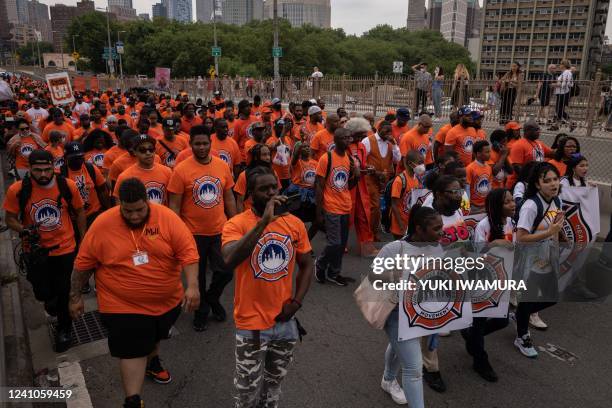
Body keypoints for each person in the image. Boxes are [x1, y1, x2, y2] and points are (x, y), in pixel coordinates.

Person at [70, 178, 200, 408]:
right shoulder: (102, 224)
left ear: (147, 202)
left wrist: (192, 286)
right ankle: (133, 400)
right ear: (119, 204)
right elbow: (83, 264)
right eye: (127, 211)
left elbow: (188, 254)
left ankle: (152, 360)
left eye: (139, 210)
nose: (134, 216)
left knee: (153, 337)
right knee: (132, 350)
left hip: (167, 304)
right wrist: (75, 296)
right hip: (121, 305)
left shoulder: (167, 218)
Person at [221, 166, 313, 408]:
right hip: (251, 326)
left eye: (274, 187)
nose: (272, 193)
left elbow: (307, 264)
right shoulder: (236, 224)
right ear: (250, 193)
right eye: (264, 189)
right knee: (247, 392)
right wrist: (263, 224)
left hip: (284, 323)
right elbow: (230, 259)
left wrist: (296, 303)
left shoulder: (294, 224)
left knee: (273, 388)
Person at [3, 149, 86, 352]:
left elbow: (80, 212)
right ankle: (54, 305)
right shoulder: (17, 190)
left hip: (65, 249)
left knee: (64, 290)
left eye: (47, 169)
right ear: (29, 169)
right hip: (35, 252)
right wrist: (24, 230)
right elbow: (10, 219)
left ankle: (64, 328)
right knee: (43, 293)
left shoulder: (67, 186)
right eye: (37, 170)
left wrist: (83, 240)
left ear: (54, 167)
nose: (43, 174)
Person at [168, 125, 237, 332]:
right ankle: (201, 312)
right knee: (197, 278)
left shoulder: (222, 166)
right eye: (197, 144)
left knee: (226, 272)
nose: (201, 147)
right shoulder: (181, 170)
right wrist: (177, 235)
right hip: (192, 235)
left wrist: (234, 221)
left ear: (210, 143)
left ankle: (211, 299)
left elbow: (228, 196)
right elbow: (174, 206)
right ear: (190, 145)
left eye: (205, 143)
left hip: (220, 231)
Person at [376, 204, 444, 408]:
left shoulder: (437, 249)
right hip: (395, 313)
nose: (441, 233)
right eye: (436, 229)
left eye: (441, 228)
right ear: (419, 229)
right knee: (414, 369)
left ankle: (388, 379)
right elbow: (375, 284)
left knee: (399, 349)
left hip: (421, 313)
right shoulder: (393, 249)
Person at [514, 162, 564, 358]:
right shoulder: (530, 206)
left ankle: (521, 315)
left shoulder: (556, 201)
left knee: (551, 296)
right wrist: (549, 232)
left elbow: (555, 230)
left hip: (545, 255)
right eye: (547, 181)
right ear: (537, 184)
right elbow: (521, 237)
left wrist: (557, 246)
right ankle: (522, 336)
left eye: (555, 179)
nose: (553, 184)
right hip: (527, 258)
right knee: (528, 298)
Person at [465, 188, 514, 382]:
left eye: (512, 200)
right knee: (479, 322)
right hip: (483, 280)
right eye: (507, 202)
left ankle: (472, 338)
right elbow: (476, 255)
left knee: (502, 320)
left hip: (503, 279)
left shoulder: (510, 222)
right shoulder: (484, 226)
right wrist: (495, 244)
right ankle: (480, 360)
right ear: (496, 206)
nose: (513, 204)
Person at [315, 128, 358, 286]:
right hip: (331, 207)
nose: (348, 141)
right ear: (336, 140)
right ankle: (320, 264)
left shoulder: (349, 158)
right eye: (344, 138)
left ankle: (334, 272)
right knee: (334, 243)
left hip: (345, 206)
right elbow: (318, 185)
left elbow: (348, 185)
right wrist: (319, 212)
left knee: (341, 244)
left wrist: (357, 176)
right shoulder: (326, 158)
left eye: (349, 138)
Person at [363, 120, 401, 241]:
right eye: (386, 130)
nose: (388, 133)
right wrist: (372, 170)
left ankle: (372, 230)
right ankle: (371, 234)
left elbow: (397, 159)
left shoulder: (391, 143)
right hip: (370, 179)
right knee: (375, 207)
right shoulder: (368, 141)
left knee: (379, 208)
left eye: (390, 131)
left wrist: (394, 144)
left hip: (384, 181)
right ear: (379, 128)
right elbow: (362, 160)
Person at [346, 118, 377, 257]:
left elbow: (362, 165)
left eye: (362, 135)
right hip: (347, 187)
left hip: (361, 186)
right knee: (347, 218)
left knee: (364, 216)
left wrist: (368, 168)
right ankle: (340, 246)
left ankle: (367, 248)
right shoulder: (343, 146)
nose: (362, 138)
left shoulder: (361, 147)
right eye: (359, 134)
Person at [114, 134, 173, 206]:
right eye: (142, 150)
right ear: (134, 152)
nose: (148, 153)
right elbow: (119, 205)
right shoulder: (125, 177)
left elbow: (172, 201)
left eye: (151, 149)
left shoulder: (167, 172)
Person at [61, 142, 110, 226]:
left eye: (81, 157)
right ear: (66, 158)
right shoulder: (61, 174)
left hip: (94, 214)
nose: (78, 160)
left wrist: (108, 211)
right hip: (74, 218)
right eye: (74, 158)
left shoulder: (91, 168)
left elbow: (103, 190)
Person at [509, 120, 554, 188]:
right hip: (520, 184)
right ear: (527, 131)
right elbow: (517, 168)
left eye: (539, 129)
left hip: (536, 182)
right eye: (536, 129)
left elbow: (552, 154)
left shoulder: (539, 143)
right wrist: (532, 179)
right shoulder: (518, 145)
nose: (539, 132)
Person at [235, 144, 280, 213]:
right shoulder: (244, 175)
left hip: (270, 213)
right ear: (256, 157)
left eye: (269, 154)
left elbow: (277, 193)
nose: (268, 157)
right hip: (250, 215)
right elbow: (240, 202)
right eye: (264, 155)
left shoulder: (273, 173)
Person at [390, 151, 423, 239]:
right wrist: (401, 224)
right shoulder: (399, 181)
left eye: (422, 162)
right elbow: (394, 205)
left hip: (411, 224)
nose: (422, 165)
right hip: (400, 227)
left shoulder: (417, 178)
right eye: (419, 163)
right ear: (410, 163)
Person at [466, 140, 493, 213]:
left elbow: (489, 186)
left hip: (485, 205)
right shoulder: (470, 168)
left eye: (489, 151)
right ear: (478, 153)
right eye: (487, 152)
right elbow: (467, 188)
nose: (489, 154)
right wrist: (467, 208)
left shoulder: (488, 167)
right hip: (473, 207)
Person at [551, 60, 573, 130]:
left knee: (559, 110)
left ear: (564, 65)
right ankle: (557, 125)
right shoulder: (564, 73)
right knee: (559, 109)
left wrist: (554, 85)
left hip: (563, 93)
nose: (559, 65)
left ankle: (571, 123)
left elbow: (565, 84)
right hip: (561, 93)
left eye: (560, 64)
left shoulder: (567, 72)